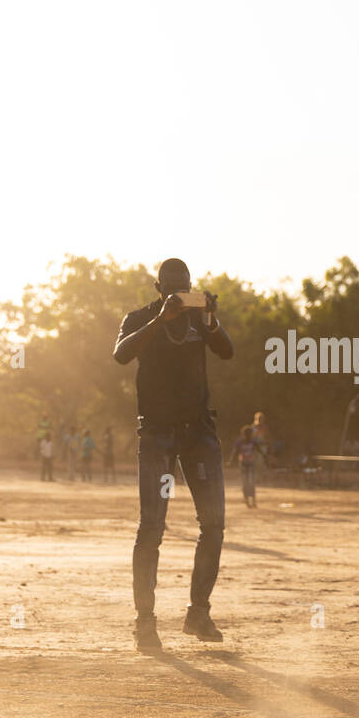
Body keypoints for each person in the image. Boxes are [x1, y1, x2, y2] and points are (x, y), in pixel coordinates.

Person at [114, 258, 234, 651]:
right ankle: (144, 623)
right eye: (170, 288)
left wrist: (212, 319)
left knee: (213, 524)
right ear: (157, 287)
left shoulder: (201, 321)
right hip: (158, 435)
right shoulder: (140, 319)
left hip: (198, 432)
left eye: (184, 287)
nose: (177, 294)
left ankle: (198, 613)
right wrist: (160, 320)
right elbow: (121, 354)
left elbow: (227, 352)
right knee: (152, 527)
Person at [228, 424, 260, 508]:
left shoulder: (253, 441)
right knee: (245, 482)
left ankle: (253, 500)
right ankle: (247, 500)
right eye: (247, 434)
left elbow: (260, 451)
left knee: (251, 482)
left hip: (251, 463)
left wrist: (267, 458)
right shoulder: (240, 441)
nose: (249, 436)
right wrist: (230, 461)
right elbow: (234, 452)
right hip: (243, 464)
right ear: (244, 434)